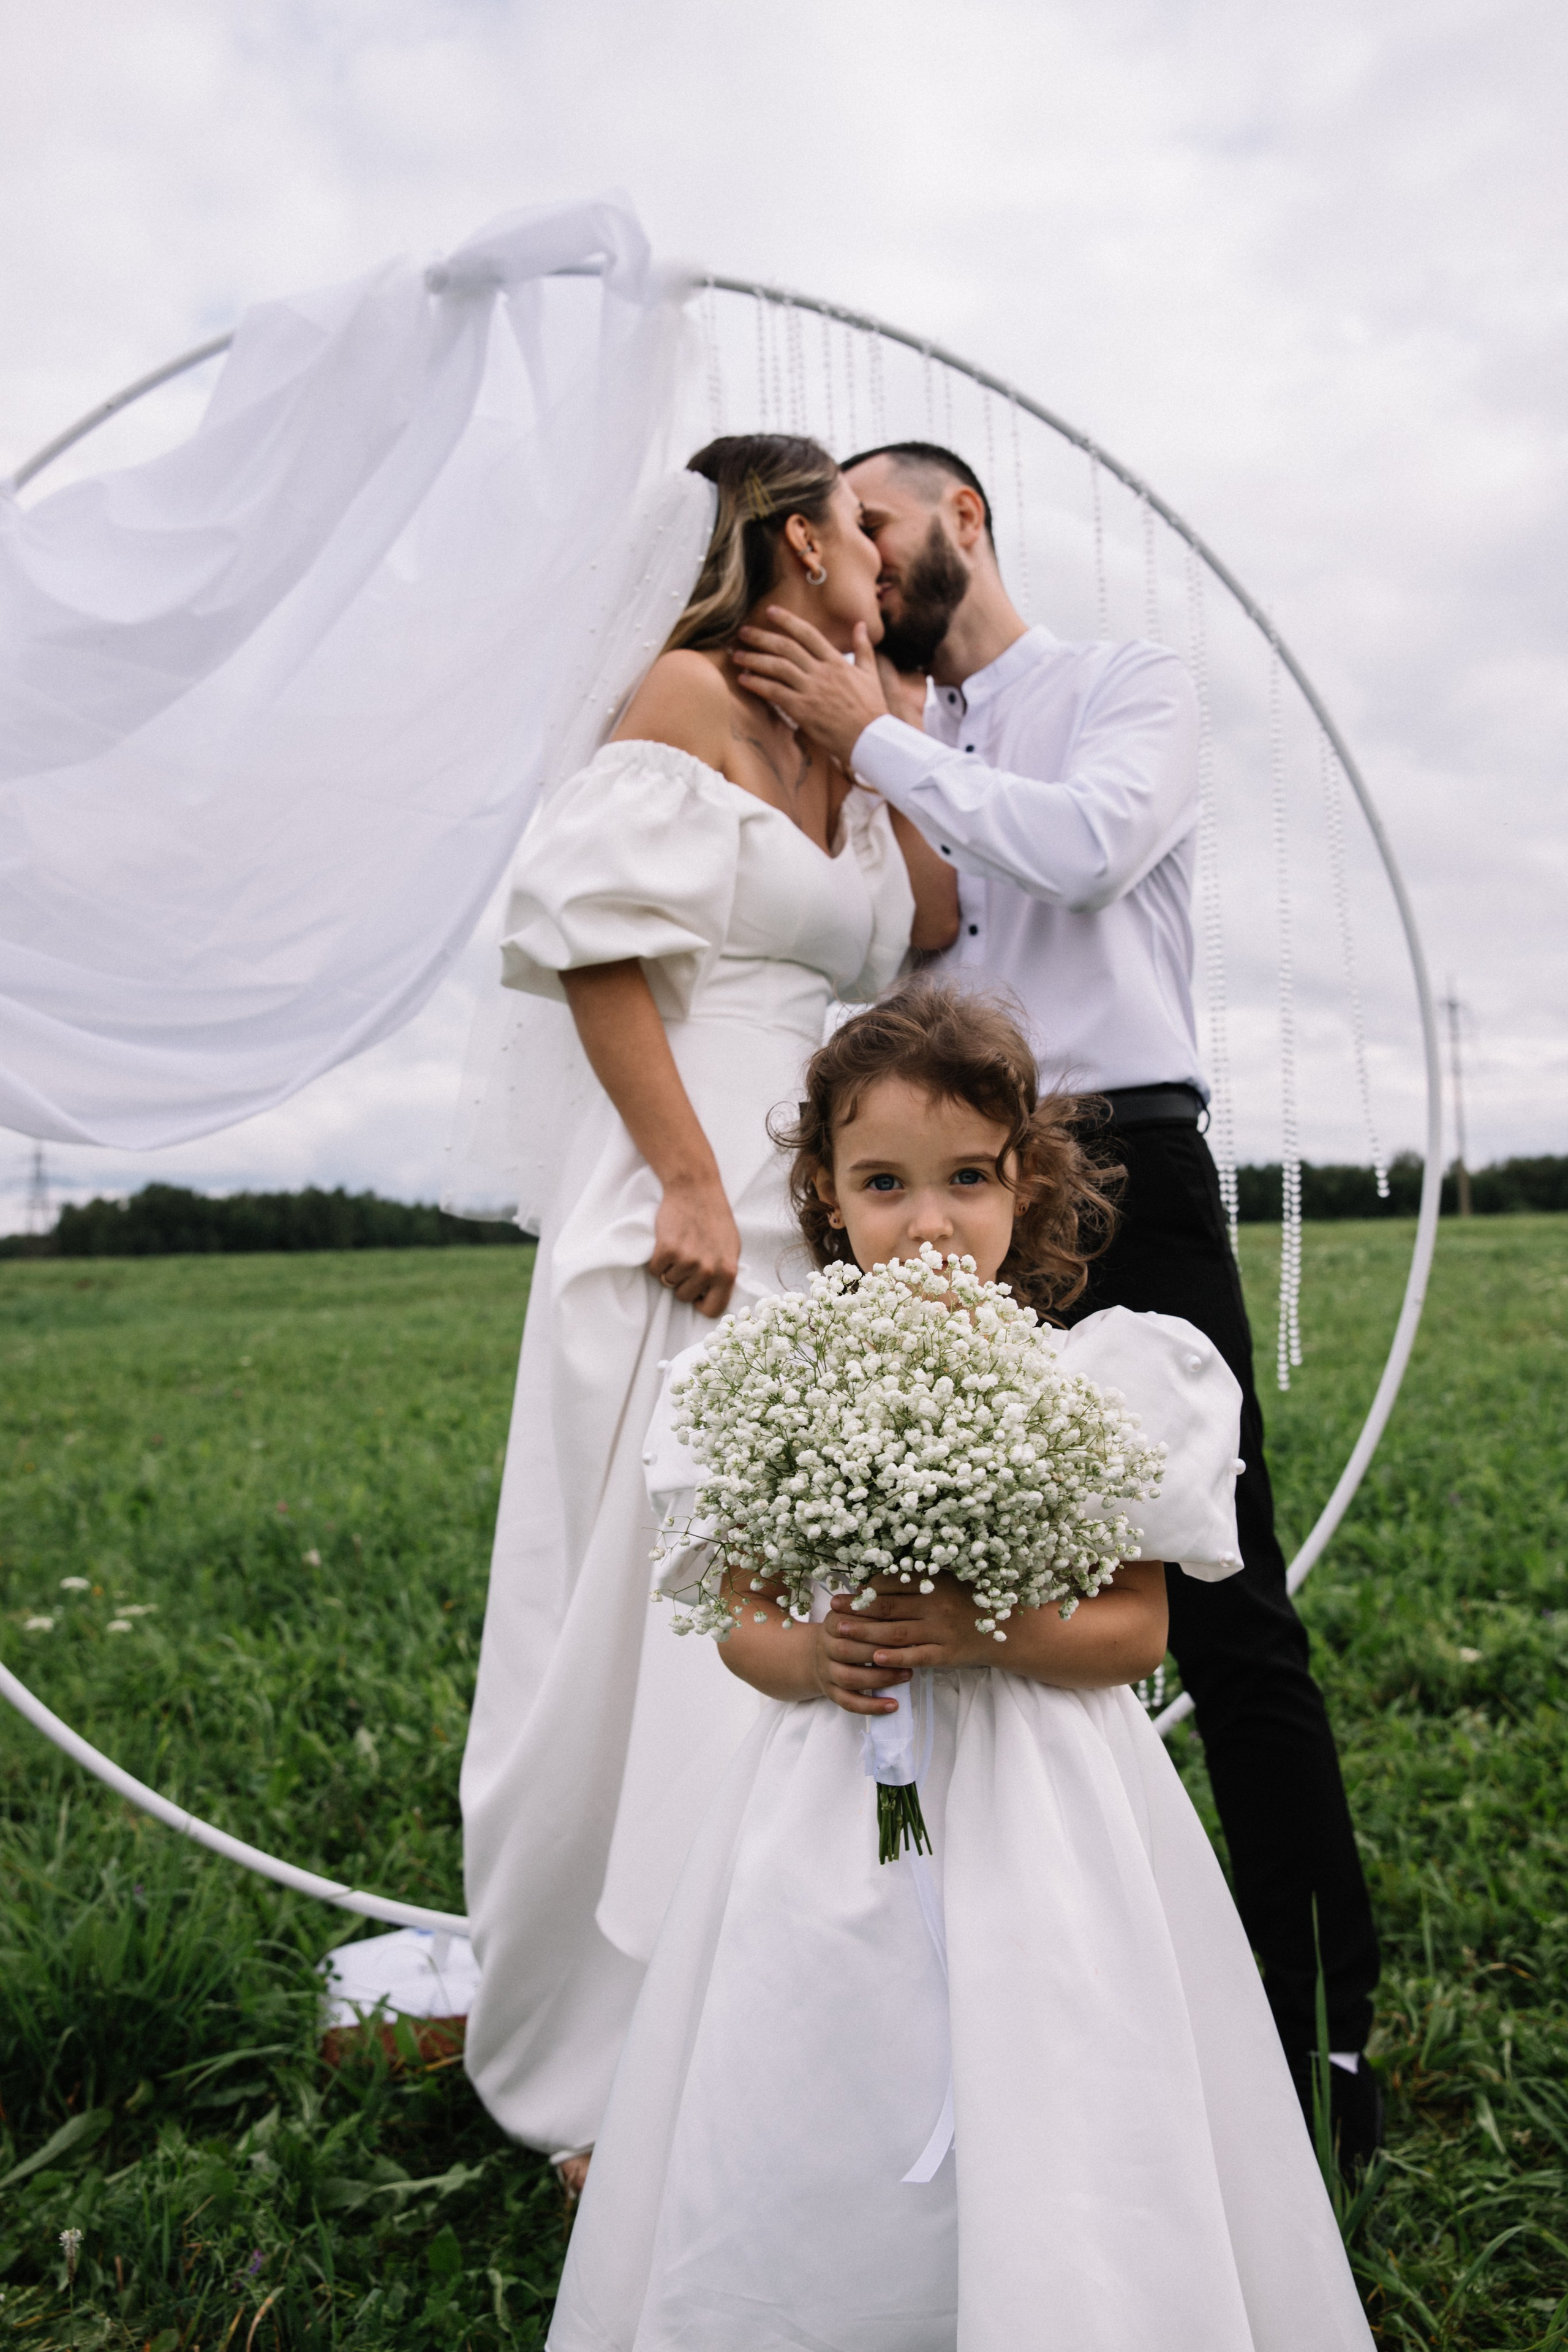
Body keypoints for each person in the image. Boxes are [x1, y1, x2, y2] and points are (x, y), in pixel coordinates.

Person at [547, 982, 1374, 2352]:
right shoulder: (759, 1377)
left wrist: (977, 1629)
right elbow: (743, 1623)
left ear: (1026, 1184)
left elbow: (1136, 1633)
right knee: (825, 2060)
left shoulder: (1109, 1381)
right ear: (822, 1192)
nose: (927, 1221)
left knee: (1056, 2056)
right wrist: (811, 1657)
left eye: (967, 1180)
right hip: (828, 1798)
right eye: (882, 1184)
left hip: (1044, 1801)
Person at [729, 440, 1383, 2167]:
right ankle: (950, 2027)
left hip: (1125, 1168)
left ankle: (1321, 2045)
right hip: (936, 1194)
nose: (852, 560)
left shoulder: (1120, 686)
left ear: (964, 519)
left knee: (1222, 1609)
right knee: (898, 1574)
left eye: (871, 522)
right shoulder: (876, 754)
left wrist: (873, 741)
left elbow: (1092, 853)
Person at [459, 434, 959, 2179]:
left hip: (829, 1221)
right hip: (693, 1203)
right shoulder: (681, 689)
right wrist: (681, 1173)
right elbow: (590, 938)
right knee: (655, 1612)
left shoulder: (839, 724)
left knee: (803, 1593)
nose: (885, 562)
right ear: (791, 535)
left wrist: (869, 715)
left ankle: (779, 2011)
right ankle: (610, 2060)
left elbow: (931, 925)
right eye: (860, 536)